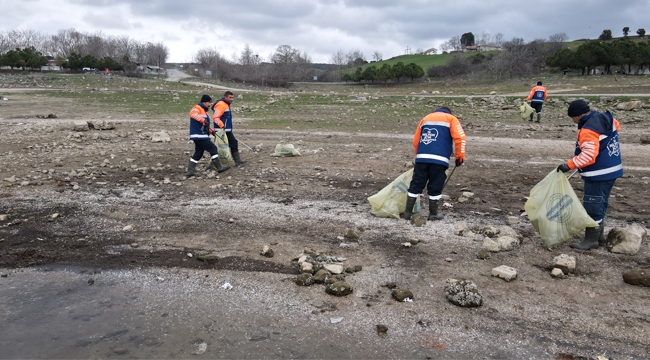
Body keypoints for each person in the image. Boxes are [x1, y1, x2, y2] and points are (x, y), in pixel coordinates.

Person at [557, 100, 623, 250]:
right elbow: (616, 127)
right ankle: (599, 237)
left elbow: (588, 156)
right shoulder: (605, 119)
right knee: (601, 202)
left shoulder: (588, 130)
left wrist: (569, 165)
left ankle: (591, 240)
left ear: (579, 115)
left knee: (593, 204)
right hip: (612, 170)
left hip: (599, 173)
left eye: (573, 117)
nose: (573, 121)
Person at [404, 107, 466, 221]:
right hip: (440, 159)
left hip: (421, 158)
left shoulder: (425, 119)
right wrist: (460, 157)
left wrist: (417, 155)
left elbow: (416, 140)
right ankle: (433, 214)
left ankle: (407, 213)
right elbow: (460, 138)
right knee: (435, 186)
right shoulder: (451, 119)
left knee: (416, 184)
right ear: (448, 112)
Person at [186, 94, 231, 176]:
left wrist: (211, 131)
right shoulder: (197, 108)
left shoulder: (204, 111)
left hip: (199, 135)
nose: (210, 105)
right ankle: (219, 167)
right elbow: (192, 114)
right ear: (205, 102)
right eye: (209, 103)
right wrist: (203, 120)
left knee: (198, 153)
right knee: (213, 148)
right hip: (200, 135)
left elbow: (205, 125)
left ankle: (190, 171)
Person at [212, 91, 246, 166]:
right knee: (227, 144)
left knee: (223, 146)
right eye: (230, 97)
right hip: (222, 130)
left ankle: (236, 161)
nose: (232, 99)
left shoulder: (225, 104)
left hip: (225, 130)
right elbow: (215, 117)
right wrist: (222, 126)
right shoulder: (221, 105)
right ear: (225, 97)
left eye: (232, 97)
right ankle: (236, 161)